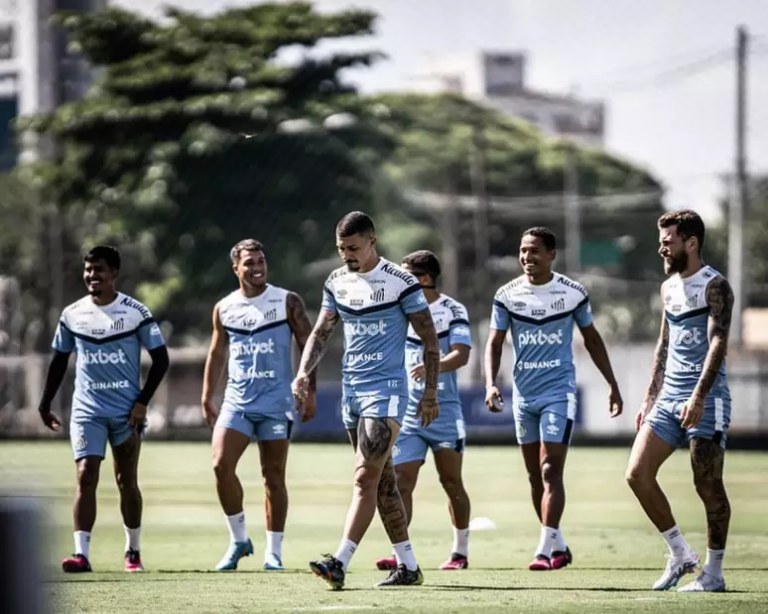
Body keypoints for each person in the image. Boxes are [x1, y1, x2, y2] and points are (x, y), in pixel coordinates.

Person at [292, 211, 441, 590]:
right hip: (352, 392)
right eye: (341, 249)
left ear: (372, 242)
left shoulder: (400, 282)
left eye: (354, 248)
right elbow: (322, 332)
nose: (347, 256)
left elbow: (430, 340)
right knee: (383, 485)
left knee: (363, 478)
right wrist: (304, 373)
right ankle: (408, 567)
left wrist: (430, 393)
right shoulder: (337, 282)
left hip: (388, 391)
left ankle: (339, 562)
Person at [485, 227, 622, 571]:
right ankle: (559, 544)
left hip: (558, 393)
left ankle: (543, 550)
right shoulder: (506, 295)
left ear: (551, 255)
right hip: (523, 396)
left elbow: (592, 338)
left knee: (550, 470)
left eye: (534, 251)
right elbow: (495, 342)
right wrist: (490, 383)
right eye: (522, 251)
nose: (527, 257)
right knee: (535, 476)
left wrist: (612, 383)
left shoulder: (573, 293)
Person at [38, 245, 170, 573]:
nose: (92, 276)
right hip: (87, 411)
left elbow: (161, 360)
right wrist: (45, 403)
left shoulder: (135, 312)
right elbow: (59, 361)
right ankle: (81, 554)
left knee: (127, 480)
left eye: (99, 269)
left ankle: (133, 552)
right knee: (86, 475)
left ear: (114, 274)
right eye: (88, 270)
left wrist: (141, 402)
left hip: (126, 412)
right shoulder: (72, 314)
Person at [626, 210, 733, 593]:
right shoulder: (667, 287)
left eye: (668, 240)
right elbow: (664, 343)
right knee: (637, 474)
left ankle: (714, 574)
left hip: (707, 398)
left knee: (707, 484)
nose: (661, 247)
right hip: (668, 397)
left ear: (691, 242)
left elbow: (718, 341)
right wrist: (649, 398)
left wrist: (699, 396)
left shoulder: (715, 285)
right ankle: (680, 554)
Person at [201, 239, 316, 572]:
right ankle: (239, 540)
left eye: (261, 261)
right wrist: (207, 394)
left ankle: (273, 551)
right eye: (249, 263)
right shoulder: (224, 307)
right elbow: (217, 352)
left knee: (273, 477)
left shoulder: (286, 301)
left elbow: (309, 344)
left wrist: (310, 391)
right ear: (236, 268)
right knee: (221, 465)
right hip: (236, 401)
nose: (257, 268)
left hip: (277, 403)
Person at [374, 250, 473, 571]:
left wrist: (433, 367)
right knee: (401, 480)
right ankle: (401, 552)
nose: (400, 281)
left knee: (451, 482)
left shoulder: (452, 310)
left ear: (425, 279)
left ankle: (459, 552)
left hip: (444, 412)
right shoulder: (398, 311)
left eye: (407, 275)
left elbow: (461, 355)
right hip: (408, 415)